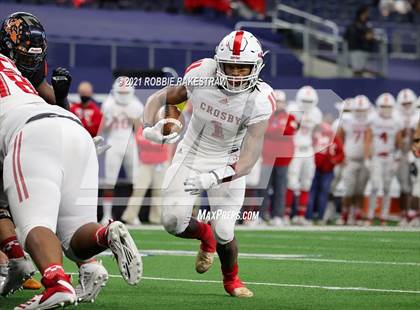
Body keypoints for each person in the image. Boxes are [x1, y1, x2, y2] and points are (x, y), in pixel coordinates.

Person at [0, 52, 142, 309]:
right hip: (74, 130)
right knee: (74, 241)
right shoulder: (10, 67)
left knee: (33, 224)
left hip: (31, 133)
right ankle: (106, 233)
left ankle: (56, 284)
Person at [142, 30, 274, 297]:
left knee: (225, 229)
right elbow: (163, 98)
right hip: (191, 154)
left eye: (243, 67)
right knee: (171, 222)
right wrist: (156, 125)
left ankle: (231, 280)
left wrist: (214, 176)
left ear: (256, 67)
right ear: (219, 62)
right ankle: (205, 236)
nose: (237, 74)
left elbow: (248, 161)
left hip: (229, 163)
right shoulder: (201, 73)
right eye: (231, 66)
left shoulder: (260, 99)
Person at [0, 12, 111, 302]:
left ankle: (30, 267)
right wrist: (61, 102)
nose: (30, 60)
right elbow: (47, 103)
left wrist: (60, 96)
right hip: (66, 130)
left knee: (33, 218)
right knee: (68, 216)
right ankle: (93, 254)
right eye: (23, 52)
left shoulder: (15, 68)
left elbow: (43, 99)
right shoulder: (12, 71)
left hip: (26, 132)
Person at [100, 78, 143, 224]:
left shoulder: (136, 104)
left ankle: (132, 214)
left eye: (126, 92)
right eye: (121, 92)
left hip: (130, 142)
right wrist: (111, 120)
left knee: (135, 180)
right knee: (109, 181)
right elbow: (102, 129)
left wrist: (133, 120)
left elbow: (140, 130)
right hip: (113, 142)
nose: (123, 95)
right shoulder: (109, 103)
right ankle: (107, 214)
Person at [285, 86, 323, 225]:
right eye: (304, 100)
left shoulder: (316, 113)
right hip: (295, 149)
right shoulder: (292, 108)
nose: (307, 104)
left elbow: (316, 132)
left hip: (308, 150)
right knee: (291, 182)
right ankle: (286, 215)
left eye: (309, 101)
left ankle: (301, 216)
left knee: (307, 182)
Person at [259, 90, 297, 226]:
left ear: (284, 103)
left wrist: (274, 130)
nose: (278, 104)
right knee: (263, 188)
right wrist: (277, 129)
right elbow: (264, 130)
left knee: (280, 188)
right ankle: (261, 216)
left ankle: (278, 215)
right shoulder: (266, 116)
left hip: (283, 158)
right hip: (268, 157)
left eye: (280, 102)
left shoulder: (290, 117)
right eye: (276, 101)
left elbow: (288, 132)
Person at [365, 93, 403, 225]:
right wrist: (366, 158)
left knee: (387, 187)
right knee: (375, 186)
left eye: (388, 106)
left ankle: (383, 216)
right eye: (383, 106)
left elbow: (399, 141)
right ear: (378, 106)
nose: (386, 108)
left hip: (390, 156)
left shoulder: (396, 120)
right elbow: (368, 139)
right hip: (376, 156)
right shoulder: (373, 119)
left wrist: (398, 158)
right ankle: (370, 215)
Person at [121, 127, 171, 225]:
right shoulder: (145, 126)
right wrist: (154, 142)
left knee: (158, 191)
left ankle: (156, 219)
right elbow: (139, 140)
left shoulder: (166, 125)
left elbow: (165, 143)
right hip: (145, 163)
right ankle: (129, 217)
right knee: (139, 190)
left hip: (161, 162)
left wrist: (150, 141)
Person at [336, 95, 371, 225]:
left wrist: (369, 158)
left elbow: (371, 140)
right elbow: (338, 138)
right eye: (359, 110)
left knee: (360, 190)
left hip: (364, 160)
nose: (361, 112)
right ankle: (344, 214)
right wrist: (341, 156)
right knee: (348, 190)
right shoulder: (347, 120)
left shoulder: (370, 121)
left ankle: (357, 214)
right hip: (349, 159)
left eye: (363, 110)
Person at [306, 122, 344, 224]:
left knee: (322, 192)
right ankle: (309, 216)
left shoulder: (334, 138)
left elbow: (341, 153)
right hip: (316, 168)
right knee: (313, 192)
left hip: (327, 170)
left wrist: (334, 160)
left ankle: (319, 216)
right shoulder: (316, 137)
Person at [395, 89, 418, 226]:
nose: (407, 105)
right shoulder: (396, 116)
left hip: (416, 155)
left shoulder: (417, 115)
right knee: (404, 187)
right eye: (404, 103)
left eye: (409, 102)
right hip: (402, 154)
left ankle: (414, 214)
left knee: (415, 186)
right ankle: (404, 213)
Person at [344, 5, 375, 76]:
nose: (368, 14)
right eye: (367, 12)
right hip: (356, 50)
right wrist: (365, 37)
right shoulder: (354, 24)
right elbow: (350, 36)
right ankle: (355, 85)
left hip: (366, 50)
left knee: (364, 71)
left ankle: (361, 85)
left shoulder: (367, 23)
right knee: (357, 71)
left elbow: (371, 33)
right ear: (363, 13)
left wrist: (371, 36)